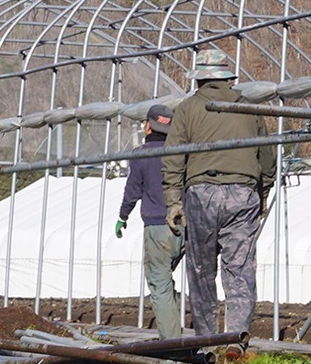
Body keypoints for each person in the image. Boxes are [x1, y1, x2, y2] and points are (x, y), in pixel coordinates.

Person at [162, 50, 273, 339]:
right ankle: (237, 337)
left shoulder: (187, 109)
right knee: (240, 268)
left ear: (198, 79)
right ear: (227, 78)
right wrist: (262, 193)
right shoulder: (249, 108)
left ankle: (207, 339)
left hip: (202, 194)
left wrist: (174, 201)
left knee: (201, 270)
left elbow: (173, 157)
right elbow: (268, 156)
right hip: (243, 193)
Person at [115, 103, 186, 338]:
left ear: (148, 126)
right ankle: (187, 336)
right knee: (177, 282)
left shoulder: (142, 154)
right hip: (186, 225)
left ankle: (173, 345)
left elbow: (132, 190)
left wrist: (122, 216)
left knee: (160, 284)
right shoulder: (182, 151)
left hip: (157, 227)